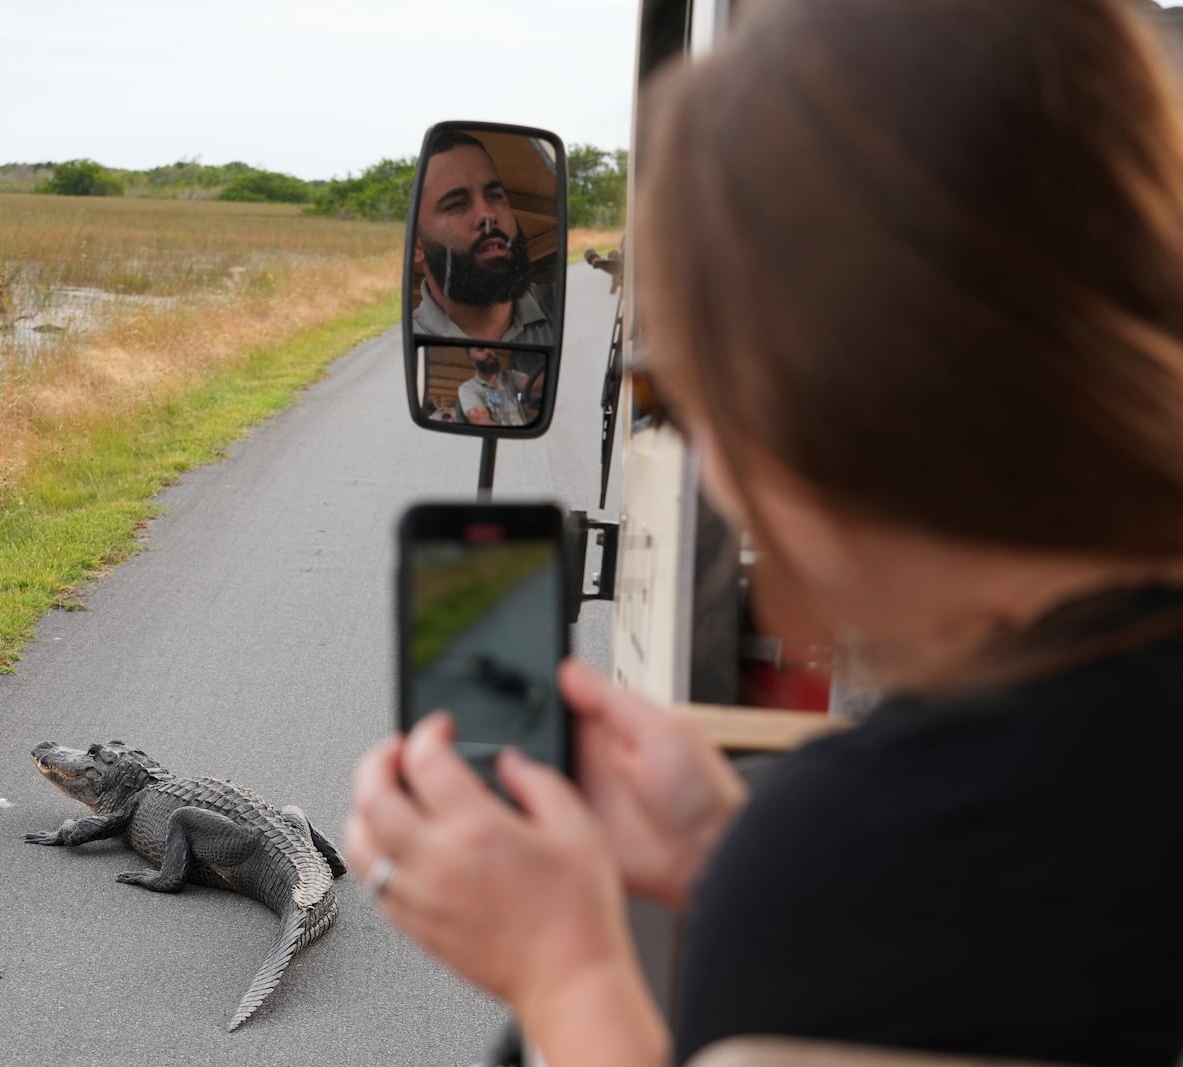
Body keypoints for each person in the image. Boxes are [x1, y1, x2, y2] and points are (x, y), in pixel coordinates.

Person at [348, 2, 1183, 1066]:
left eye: (678, 382)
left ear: (789, 408)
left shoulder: (846, 859)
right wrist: (718, 850)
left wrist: (564, 973)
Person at [411, 129, 556, 351]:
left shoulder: (565, 308)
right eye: (457, 204)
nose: (487, 215)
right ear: (417, 244)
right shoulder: (401, 347)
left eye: (495, 196)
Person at [458, 347, 533, 427]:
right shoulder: (468, 388)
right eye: (480, 349)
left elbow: (531, 383)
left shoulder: (511, 377)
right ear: (472, 361)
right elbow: (480, 420)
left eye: (490, 347)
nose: (488, 351)